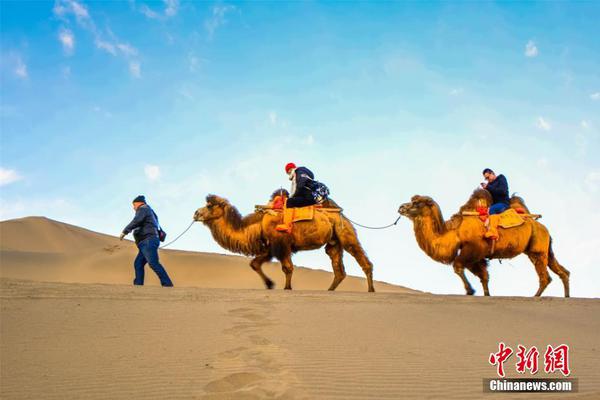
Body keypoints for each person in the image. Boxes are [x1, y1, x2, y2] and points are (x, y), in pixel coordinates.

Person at [120, 195, 173, 287]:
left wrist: (125, 231)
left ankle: (168, 284)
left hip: (147, 241)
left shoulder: (143, 209)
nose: (133, 208)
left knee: (153, 263)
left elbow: (136, 221)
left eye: (134, 205)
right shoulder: (148, 210)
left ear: (139, 203)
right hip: (146, 242)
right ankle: (138, 285)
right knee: (138, 263)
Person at [275, 163, 317, 233]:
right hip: (310, 196)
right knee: (291, 200)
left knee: (289, 202)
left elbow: (301, 184)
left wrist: (295, 195)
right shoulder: (303, 172)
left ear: (289, 170)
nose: (288, 175)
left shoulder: (299, 172)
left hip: (308, 196)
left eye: (288, 173)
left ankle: (287, 226)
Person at [480, 168, 510, 240]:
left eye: (488, 177)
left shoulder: (501, 178)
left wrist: (488, 187)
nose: (487, 180)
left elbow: (503, 191)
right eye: (486, 179)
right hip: (494, 205)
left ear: (492, 173)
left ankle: (493, 232)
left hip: (503, 204)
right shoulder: (489, 185)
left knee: (492, 209)